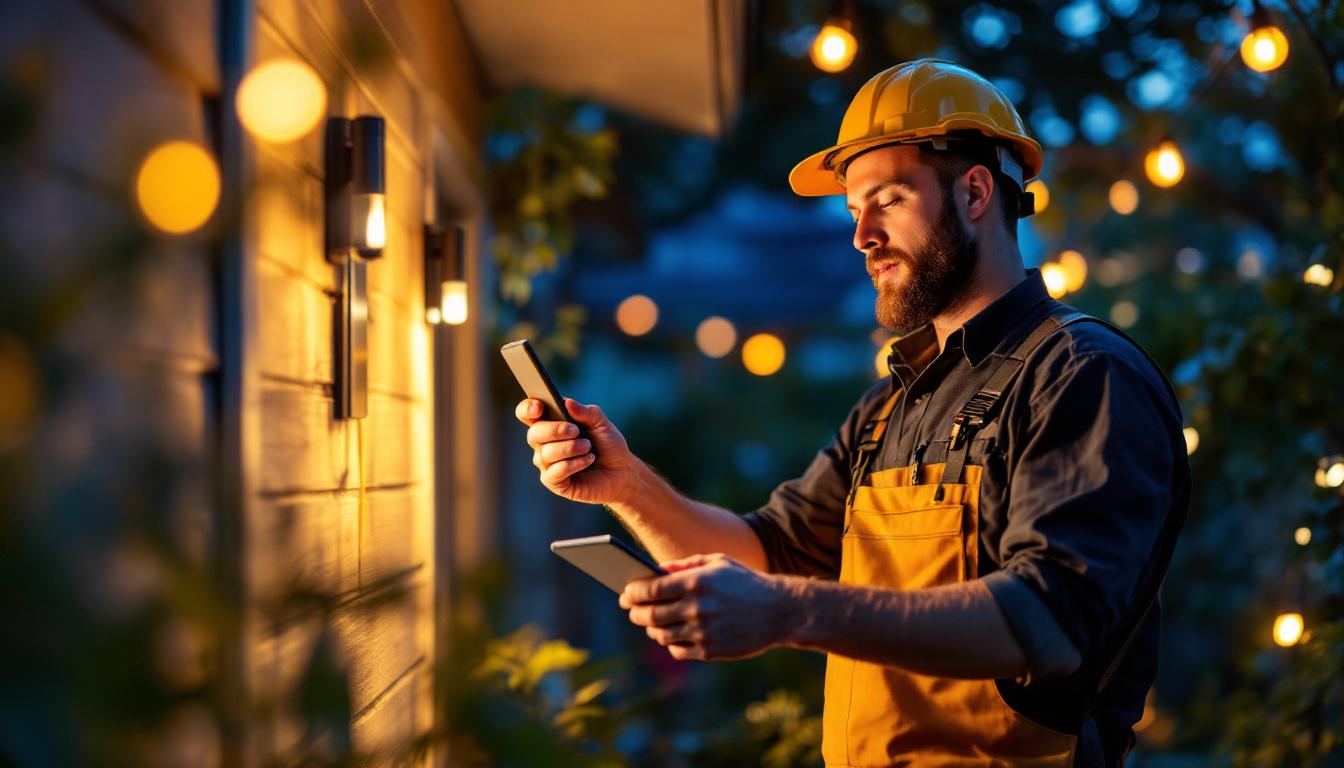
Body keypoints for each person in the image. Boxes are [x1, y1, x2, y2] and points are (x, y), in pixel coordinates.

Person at [515, 59, 1189, 767]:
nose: (861, 234)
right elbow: (764, 553)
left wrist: (790, 610)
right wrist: (627, 485)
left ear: (976, 192)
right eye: (853, 210)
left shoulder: (1081, 375)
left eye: (889, 200)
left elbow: (1046, 621)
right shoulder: (891, 406)